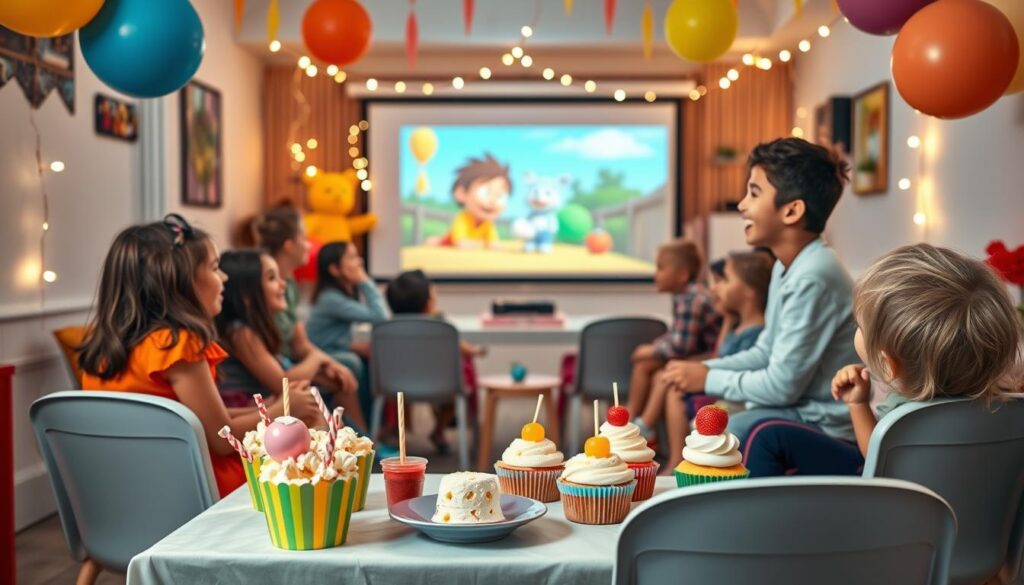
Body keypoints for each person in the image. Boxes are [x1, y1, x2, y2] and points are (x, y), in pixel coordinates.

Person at [78, 215, 319, 497]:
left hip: (128, 491)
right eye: (216, 268)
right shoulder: (178, 345)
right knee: (312, 431)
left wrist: (262, 411)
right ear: (182, 282)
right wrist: (282, 412)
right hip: (199, 488)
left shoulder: (104, 351)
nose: (224, 277)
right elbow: (221, 438)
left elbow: (191, 420)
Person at [744, 243, 1023, 476]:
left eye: (859, 327)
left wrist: (857, 403)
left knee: (767, 435)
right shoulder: (1008, 406)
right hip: (969, 531)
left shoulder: (902, 419)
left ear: (888, 365)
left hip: (886, 513)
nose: (857, 329)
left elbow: (874, 457)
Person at [663, 137, 859, 444]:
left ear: (792, 211)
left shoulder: (812, 276)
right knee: (709, 428)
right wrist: (703, 368)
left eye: (753, 193)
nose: (741, 205)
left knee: (717, 436)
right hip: (798, 409)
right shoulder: (787, 265)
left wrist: (708, 378)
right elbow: (765, 352)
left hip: (821, 422)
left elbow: (782, 386)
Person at [214, 248, 365, 427]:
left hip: (268, 399)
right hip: (248, 410)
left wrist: (327, 367)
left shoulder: (254, 328)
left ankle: (360, 443)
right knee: (309, 405)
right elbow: (283, 383)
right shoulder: (241, 333)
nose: (283, 284)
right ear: (247, 296)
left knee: (336, 383)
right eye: (271, 278)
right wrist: (317, 358)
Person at [660, 250, 773, 469]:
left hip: (732, 398)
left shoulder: (756, 333)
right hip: (723, 390)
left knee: (675, 392)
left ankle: (677, 459)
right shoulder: (738, 325)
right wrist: (728, 321)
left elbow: (741, 371)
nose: (715, 288)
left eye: (725, 280)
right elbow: (720, 355)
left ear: (749, 291)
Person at [385, 269, 487, 453]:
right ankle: (438, 430)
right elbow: (461, 346)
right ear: (427, 302)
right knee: (455, 392)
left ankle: (395, 431)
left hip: (398, 385)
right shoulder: (440, 324)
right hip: (441, 384)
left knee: (400, 394)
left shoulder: (389, 327)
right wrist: (477, 351)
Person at [628, 238, 720, 440]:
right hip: (698, 354)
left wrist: (651, 350)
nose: (656, 274)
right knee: (653, 368)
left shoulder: (692, 298)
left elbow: (681, 346)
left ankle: (636, 422)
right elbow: (677, 336)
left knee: (650, 365)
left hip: (709, 357)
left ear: (682, 275)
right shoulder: (685, 295)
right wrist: (654, 347)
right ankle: (638, 422)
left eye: (661, 268)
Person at [307, 241, 389, 421]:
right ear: (335, 269)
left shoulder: (335, 296)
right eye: (351, 258)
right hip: (320, 356)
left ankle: (373, 426)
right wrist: (365, 281)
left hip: (330, 350)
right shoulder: (331, 298)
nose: (359, 262)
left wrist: (349, 345)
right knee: (353, 362)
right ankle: (363, 430)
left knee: (366, 360)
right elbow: (380, 316)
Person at [435, 153, 512, 248]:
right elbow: (461, 243)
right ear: (462, 193)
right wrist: (484, 245)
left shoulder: (487, 224)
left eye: (499, 196)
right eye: (486, 192)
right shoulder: (463, 219)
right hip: (446, 244)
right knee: (434, 242)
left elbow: (494, 243)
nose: (492, 201)